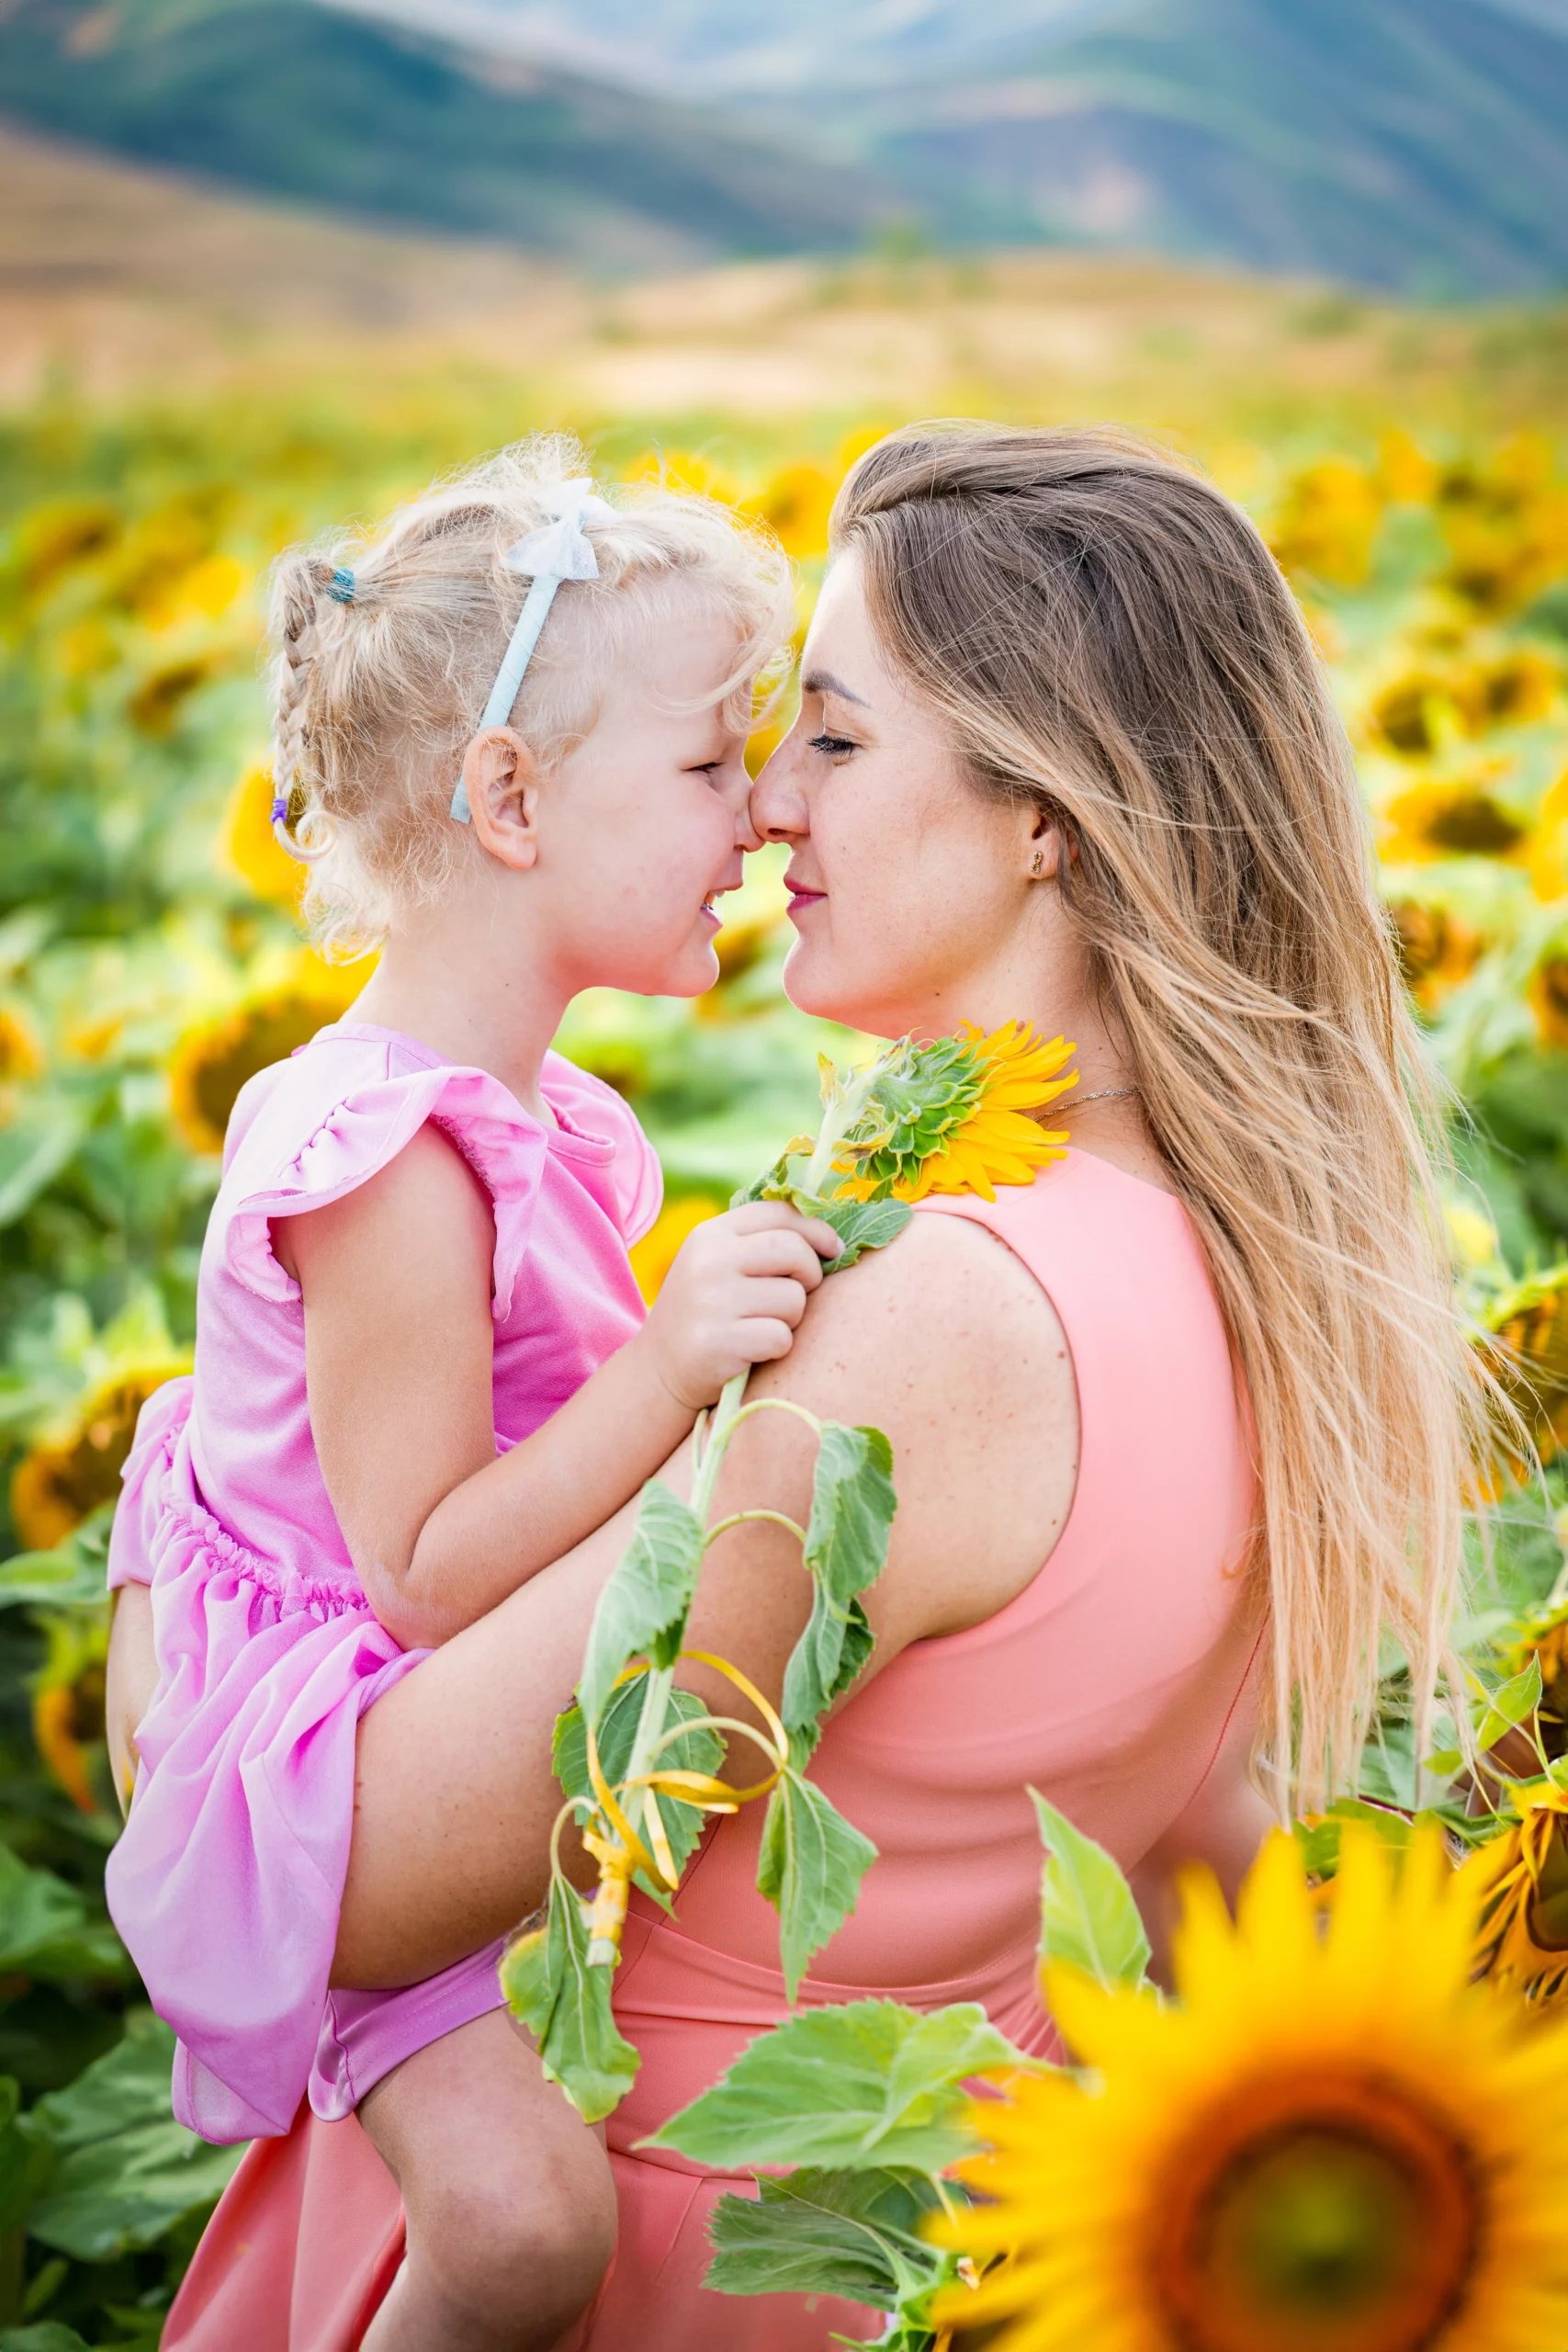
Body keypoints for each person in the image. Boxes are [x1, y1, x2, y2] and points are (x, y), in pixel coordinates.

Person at [108, 424, 1483, 2352]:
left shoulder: (931, 1329)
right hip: (905, 2246)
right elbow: (1179, 1855)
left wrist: (160, 1624)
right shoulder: (1237, 1255)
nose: (765, 802)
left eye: (831, 738)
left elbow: (348, 1893)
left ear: (1046, 817)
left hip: (665, 2254)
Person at [102, 440, 841, 2352]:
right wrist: (679, 1360)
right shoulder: (386, 1158)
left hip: (417, 1701)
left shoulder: (526, 1118)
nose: (761, 812)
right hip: (325, 1756)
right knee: (520, 2228)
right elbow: (424, 1568)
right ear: (510, 795)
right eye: (706, 764)